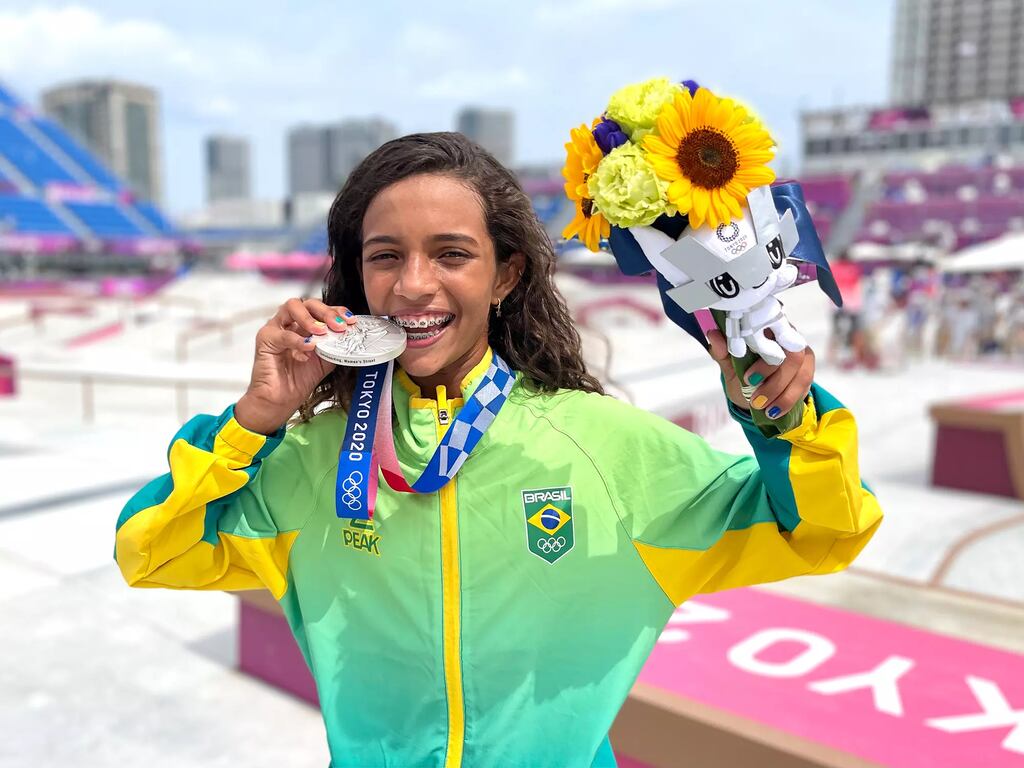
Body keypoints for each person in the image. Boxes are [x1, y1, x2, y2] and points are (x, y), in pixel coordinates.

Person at [113, 132, 883, 768]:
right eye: (386, 256)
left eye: (451, 254)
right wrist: (254, 421)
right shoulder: (310, 460)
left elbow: (822, 530)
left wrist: (786, 420)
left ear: (506, 274)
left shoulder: (602, 448)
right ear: (358, 275)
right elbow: (151, 551)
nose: (414, 285)